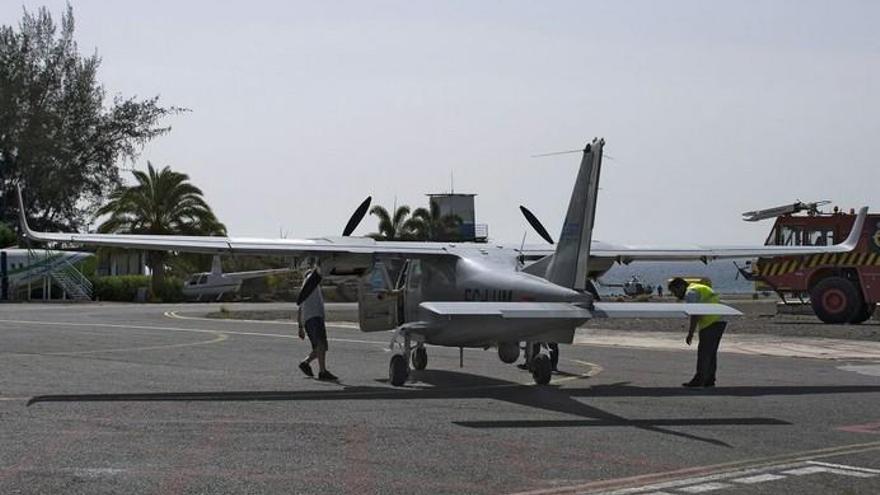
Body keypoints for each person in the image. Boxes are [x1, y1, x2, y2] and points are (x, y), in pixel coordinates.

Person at [668, 277, 726, 388]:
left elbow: (695, 313)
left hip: (711, 320)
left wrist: (690, 333)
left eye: (675, 291)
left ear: (681, 286)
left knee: (704, 352)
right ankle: (709, 379)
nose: (675, 295)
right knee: (711, 353)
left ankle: (699, 380)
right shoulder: (697, 288)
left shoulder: (691, 293)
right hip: (720, 319)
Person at [297, 266, 337, 381]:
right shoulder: (311, 280)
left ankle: (306, 363)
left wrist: (300, 327)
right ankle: (322, 371)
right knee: (321, 345)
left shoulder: (306, 287)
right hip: (314, 318)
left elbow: (299, 309)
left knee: (320, 347)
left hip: (311, 319)